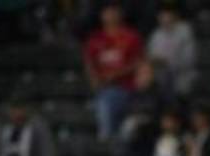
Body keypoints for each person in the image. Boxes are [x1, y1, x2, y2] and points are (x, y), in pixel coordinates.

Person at [83, 4, 144, 139]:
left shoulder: (131, 36)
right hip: (102, 88)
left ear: (119, 14)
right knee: (103, 100)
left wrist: (116, 75)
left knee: (106, 101)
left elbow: (138, 62)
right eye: (107, 12)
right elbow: (89, 63)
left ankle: (105, 139)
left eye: (113, 11)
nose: (110, 15)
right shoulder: (95, 38)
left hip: (126, 88)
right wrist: (94, 79)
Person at [146, 1, 197, 98]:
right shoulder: (156, 34)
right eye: (162, 15)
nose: (164, 18)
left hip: (181, 79)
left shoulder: (185, 31)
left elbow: (188, 60)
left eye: (167, 14)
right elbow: (151, 58)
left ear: (175, 15)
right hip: (159, 78)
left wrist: (167, 62)